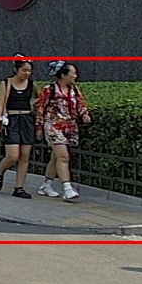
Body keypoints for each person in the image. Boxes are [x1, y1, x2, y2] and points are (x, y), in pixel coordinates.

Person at [35, 61, 90, 201]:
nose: (75, 76)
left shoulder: (74, 89)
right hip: (53, 126)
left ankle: (46, 184)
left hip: (69, 126)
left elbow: (81, 104)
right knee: (63, 157)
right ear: (63, 75)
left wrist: (84, 115)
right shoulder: (50, 89)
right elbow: (41, 108)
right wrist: (39, 127)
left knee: (56, 157)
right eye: (73, 73)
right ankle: (67, 188)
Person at [0, 57, 38, 199]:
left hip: (27, 119)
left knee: (25, 155)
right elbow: (0, 104)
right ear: (16, 69)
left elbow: (38, 99)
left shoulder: (32, 85)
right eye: (24, 70)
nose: (27, 73)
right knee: (12, 155)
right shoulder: (6, 83)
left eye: (29, 71)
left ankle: (19, 187)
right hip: (11, 119)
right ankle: (0, 172)